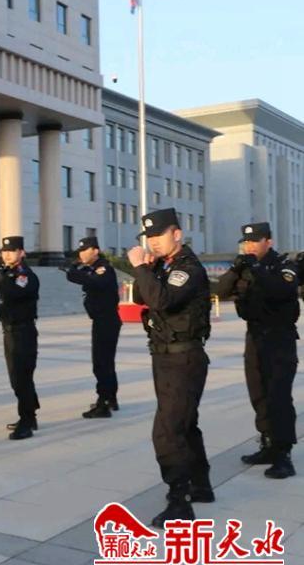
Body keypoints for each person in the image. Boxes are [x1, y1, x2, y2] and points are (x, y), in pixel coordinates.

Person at [127, 208, 212, 527]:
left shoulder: (187, 268)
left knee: (167, 430)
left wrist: (140, 267)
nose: (153, 242)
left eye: (158, 235)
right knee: (184, 424)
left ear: (177, 234)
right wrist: (147, 269)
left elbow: (162, 301)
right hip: (165, 356)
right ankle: (200, 485)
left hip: (183, 358)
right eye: (149, 236)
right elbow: (142, 297)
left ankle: (180, 501)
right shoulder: (164, 266)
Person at [217, 222, 297, 479]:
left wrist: (257, 269)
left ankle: (283, 454)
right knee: (258, 394)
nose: (250, 246)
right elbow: (220, 291)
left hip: (279, 339)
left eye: (255, 241)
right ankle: (267, 444)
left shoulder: (283, 266)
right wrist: (236, 269)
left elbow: (280, 290)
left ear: (268, 242)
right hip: (254, 338)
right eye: (247, 242)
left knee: (279, 397)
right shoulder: (245, 266)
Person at [0, 236, 40, 441]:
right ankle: (30, 415)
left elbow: (12, 291)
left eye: (11, 251)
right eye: (4, 251)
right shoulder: (7, 273)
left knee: (21, 377)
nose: (6, 255)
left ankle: (27, 421)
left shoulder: (26, 275)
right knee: (18, 377)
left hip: (23, 331)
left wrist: (2, 275)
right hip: (10, 331)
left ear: (21, 253)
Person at [64, 236, 121, 418]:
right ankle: (110, 398)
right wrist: (74, 270)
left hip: (106, 320)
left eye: (85, 250)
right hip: (102, 320)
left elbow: (93, 281)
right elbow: (81, 277)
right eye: (80, 251)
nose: (81, 254)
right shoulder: (92, 269)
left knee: (101, 363)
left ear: (95, 251)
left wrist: (73, 271)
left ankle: (103, 403)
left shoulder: (103, 268)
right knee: (106, 362)